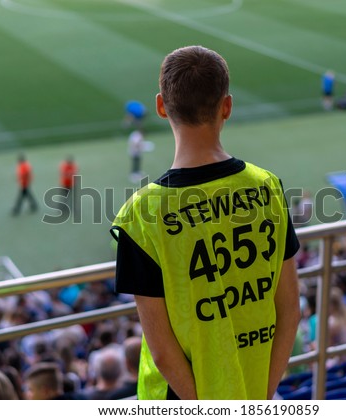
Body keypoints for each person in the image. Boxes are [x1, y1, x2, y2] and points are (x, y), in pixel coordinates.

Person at [111, 46, 301, 400]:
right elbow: (289, 310)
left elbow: (163, 352)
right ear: (226, 106)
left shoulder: (141, 214)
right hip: (256, 387)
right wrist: (262, 393)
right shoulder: (268, 186)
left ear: (161, 106)